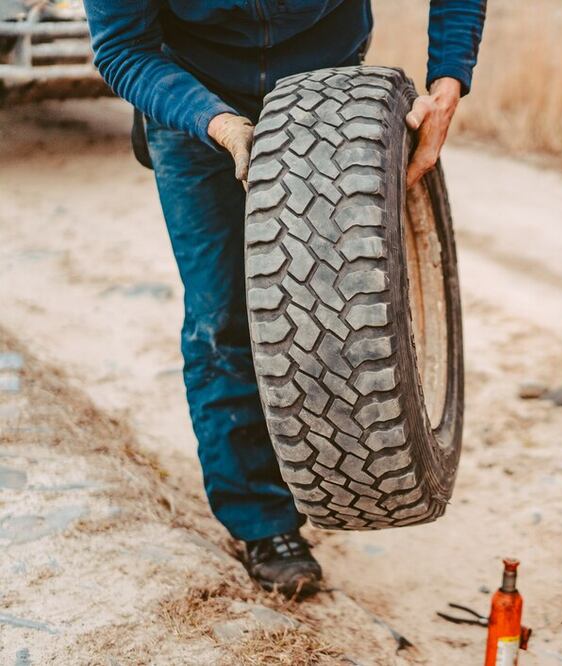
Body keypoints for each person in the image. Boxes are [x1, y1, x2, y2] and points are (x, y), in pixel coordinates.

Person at [81, 0, 486, 597]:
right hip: (191, 93)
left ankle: (343, 466)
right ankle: (263, 523)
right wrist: (220, 125)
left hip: (325, 88)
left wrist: (447, 82)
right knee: (223, 318)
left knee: (344, 306)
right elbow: (121, 49)